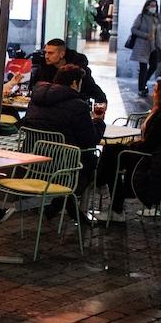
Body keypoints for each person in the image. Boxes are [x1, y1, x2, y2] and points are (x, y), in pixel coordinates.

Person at [97, 78, 161, 221]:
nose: (153, 95)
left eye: (156, 91)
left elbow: (151, 143)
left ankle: (102, 187)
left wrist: (133, 144)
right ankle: (105, 190)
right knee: (113, 152)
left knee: (112, 154)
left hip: (155, 159)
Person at [22, 64, 106, 214]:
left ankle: (57, 204)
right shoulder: (78, 106)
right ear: (74, 83)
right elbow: (90, 140)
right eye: (80, 82)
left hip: (33, 161)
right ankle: (63, 203)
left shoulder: (35, 99)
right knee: (95, 161)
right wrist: (98, 121)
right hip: (65, 165)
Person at [29, 38, 107, 104]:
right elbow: (33, 90)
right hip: (48, 110)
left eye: (50, 53)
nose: (46, 56)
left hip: (73, 110)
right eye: (45, 52)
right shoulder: (42, 68)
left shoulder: (77, 70)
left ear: (62, 54)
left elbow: (96, 93)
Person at [129, 0, 161, 98]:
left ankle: (144, 82)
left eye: (155, 6)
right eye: (151, 5)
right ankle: (141, 88)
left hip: (155, 46)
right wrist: (145, 35)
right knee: (143, 68)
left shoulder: (158, 18)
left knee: (154, 66)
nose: (153, 8)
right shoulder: (141, 17)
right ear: (147, 6)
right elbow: (134, 29)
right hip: (143, 46)